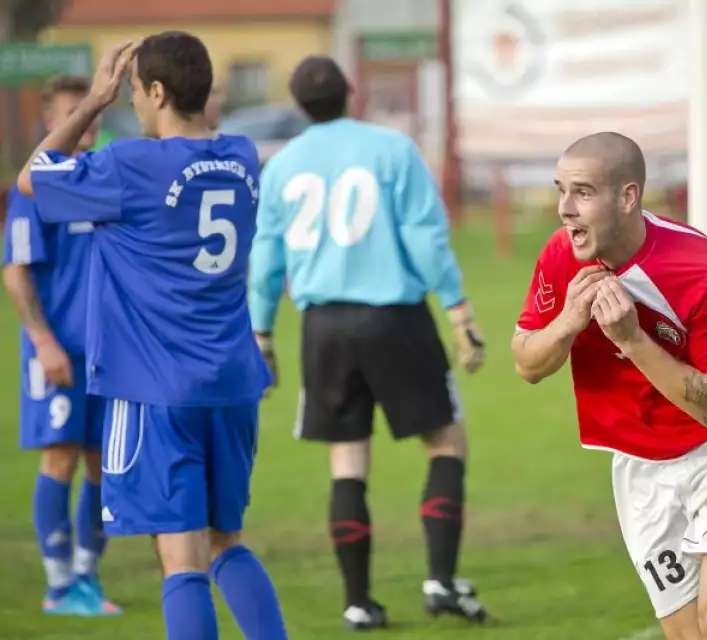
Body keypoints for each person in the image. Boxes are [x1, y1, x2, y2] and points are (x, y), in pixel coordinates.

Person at [17, 33, 287, 640]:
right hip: (232, 382)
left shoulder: (129, 164)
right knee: (227, 542)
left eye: (135, 93)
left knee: (180, 556)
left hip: (155, 390)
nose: (131, 104)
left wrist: (90, 101)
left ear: (157, 92)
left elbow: (33, 179)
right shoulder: (242, 155)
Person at [511, 132, 707, 639]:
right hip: (641, 464)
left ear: (627, 197)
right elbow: (527, 363)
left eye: (582, 192)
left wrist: (631, 340)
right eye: (561, 190)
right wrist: (566, 322)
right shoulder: (562, 255)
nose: (565, 209)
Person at [248, 55, 487, 631]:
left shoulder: (281, 166)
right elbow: (426, 236)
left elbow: (266, 258)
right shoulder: (391, 149)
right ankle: (440, 581)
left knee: (347, 459)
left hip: (323, 327)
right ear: (350, 92)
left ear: (300, 103)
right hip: (395, 318)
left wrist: (261, 333)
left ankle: (358, 601)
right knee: (445, 443)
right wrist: (457, 311)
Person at [2, 74, 120, 617]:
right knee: (61, 458)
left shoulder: (101, 177)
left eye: (92, 111)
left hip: (110, 353)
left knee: (103, 464)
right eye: (76, 111)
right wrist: (43, 342)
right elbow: (17, 272)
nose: (87, 121)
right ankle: (57, 585)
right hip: (59, 350)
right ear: (52, 121)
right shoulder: (38, 186)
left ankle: (87, 580)